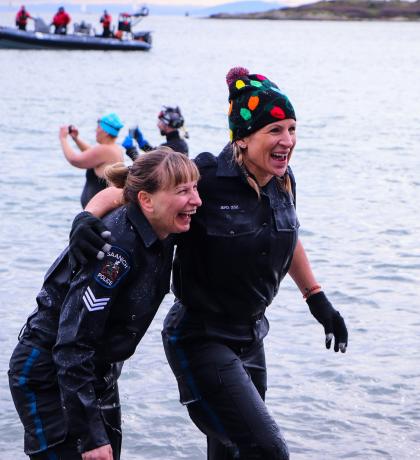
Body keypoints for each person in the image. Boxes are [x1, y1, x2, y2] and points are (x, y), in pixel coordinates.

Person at [67, 66, 349, 459]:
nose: (288, 140)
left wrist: (317, 299)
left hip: (251, 336)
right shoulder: (206, 176)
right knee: (268, 452)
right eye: (275, 130)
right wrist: (86, 218)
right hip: (201, 337)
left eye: (292, 129)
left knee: (229, 452)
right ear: (244, 139)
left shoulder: (283, 180)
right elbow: (129, 187)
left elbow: (287, 234)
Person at [8, 149, 202, 460]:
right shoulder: (115, 254)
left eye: (195, 188)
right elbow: (71, 346)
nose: (197, 201)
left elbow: (122, 190)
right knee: (89, 450)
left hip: (94, 371)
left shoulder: (164, 224)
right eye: (183, 191)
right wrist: (90, 435)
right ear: (146, 201)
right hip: (50, 372)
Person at [60, 113, 124, 209]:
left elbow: (74, 160)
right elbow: (91, 154)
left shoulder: (105, 150)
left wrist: (63, 138)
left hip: (101, 215)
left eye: (98, 128)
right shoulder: (114, 149)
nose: (96, 130)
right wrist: (76, 139)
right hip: (104, 211)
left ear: (106, 131)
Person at [122, 106, 189, 160]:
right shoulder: (181, 144)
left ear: (166, 124)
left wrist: (131, 150)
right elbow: (155, 156)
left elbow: (145, 169)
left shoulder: (168, 148)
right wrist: (141, 142)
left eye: (160, 121)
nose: (157, 125)